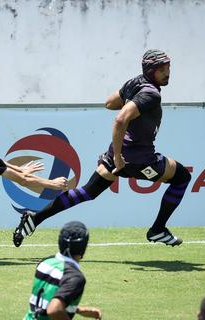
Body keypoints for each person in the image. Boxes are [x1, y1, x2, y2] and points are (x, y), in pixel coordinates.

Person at [13, 49, 191, 247]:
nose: (167, 73)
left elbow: (109, 103)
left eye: (168, 68)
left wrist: (129, 102)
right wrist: (118, 156)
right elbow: (120, 118)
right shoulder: (150, 94)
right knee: (182, 177)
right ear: (150, 71)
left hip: (120, 154)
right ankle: (158, 229)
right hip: (138, 160)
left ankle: (34, 218)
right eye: (162, 69)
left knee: (89, 191)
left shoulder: (135, 83)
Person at [24, 221, 102, 320]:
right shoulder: (75, 278)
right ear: (84, 247)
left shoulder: (45, 263)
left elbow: (46, 298)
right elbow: (54, 309)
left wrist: (76, 309)